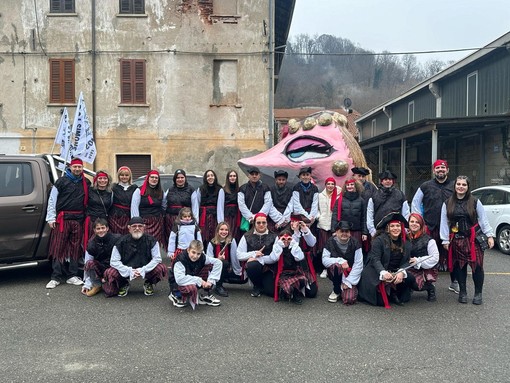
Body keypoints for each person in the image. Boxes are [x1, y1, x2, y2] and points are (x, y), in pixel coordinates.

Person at [440, 176, 495, 305]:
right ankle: (463, 292)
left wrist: (490, 235)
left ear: (468, 187)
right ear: (455, 186)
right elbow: (444, 222)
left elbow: (483, 220)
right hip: (457, 239)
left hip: (473, 239)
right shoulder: (447, 203)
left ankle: (478, 293)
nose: (460, 187)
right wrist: (445, 240)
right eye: (458, 184)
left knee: (478, 267)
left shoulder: (475, 201)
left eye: (463, 185)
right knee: (460, 266)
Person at [411, 159, 457, 292]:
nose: (440, 171)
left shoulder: (454, 185)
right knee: (428, 255)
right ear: (433, 171)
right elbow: (415, 204)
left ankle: (454, 282)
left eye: (443, 168)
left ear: (447, 170)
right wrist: (420, 222)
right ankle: (429, 282)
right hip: (429, 227)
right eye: (437, 168)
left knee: (451, 256)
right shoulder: (425, 186)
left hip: (449, 228)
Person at [45, 158, 90, 289]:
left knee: (75, 248)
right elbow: (52, 200)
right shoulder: (61, 182)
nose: (77, 169)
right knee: (58, 247)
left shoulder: (86, 182)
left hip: (78, 219)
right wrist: (51, 218)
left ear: (82, 168)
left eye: (79, 167)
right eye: (75, 167)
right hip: (62, 219)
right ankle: (55, 277)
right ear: (70, 167)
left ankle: (72, 275)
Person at [358, 212, 414, 308]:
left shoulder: (407, 242)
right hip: (376, 270)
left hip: (395, 270)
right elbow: (375, 259)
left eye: (398, 226)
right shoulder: (379, 241)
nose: (395, 228)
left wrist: (401, 272)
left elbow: (406, 261)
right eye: (392, 226)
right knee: (380, 301)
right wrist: (383, 272)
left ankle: (394, 291)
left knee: (410, 279)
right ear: (388, 228)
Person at [103, 217, 167, 297]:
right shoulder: (121, 242)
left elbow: (157, 259)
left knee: (161, 268)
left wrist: (143, 270)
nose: (137, 228)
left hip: (146, 270)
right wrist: (129, 270)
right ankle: (123, 284)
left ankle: (149, 283)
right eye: (134, 226)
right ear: (129, 228)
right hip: (126, 270)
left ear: (144, 228)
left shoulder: (152, 240)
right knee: (109, 272)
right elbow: (114, 261)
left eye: (140, 226)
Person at [168, 240, 222, 309]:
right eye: (193, 252)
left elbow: (218, 262)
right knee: (191, 288)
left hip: (192, 275)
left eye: (198, 254)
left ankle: (204, 294)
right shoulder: (180, 259)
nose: (195, 256)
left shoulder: (202, 257)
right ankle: (176, 295)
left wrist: (210, 281)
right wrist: (200, 281)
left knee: (209, 265)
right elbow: (180, 280)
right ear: (188, 250)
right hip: (177, 282)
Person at [322, 221, 363, 305]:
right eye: (342, 231)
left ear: (350, 233)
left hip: (350, 275)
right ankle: (336, 290)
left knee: (349, 299)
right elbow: (325, 260)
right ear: (336, 232)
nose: (344, 233)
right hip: (336, 273)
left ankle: (349, 288)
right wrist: (340, 260)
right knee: (336, 265)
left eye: (347, 231)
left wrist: (348, 282)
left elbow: (358, 264)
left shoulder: (355, 243)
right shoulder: (330, 241)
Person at [237, 213, 278, 297]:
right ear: (254, 223)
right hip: (254, 267)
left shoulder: (274, 236)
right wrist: (254, 254)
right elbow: (239, 255)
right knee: (252, 264)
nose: (261, 225)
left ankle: (264, 283)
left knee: (271, 292)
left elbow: (275, 258)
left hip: (269, 268)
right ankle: (257, 285)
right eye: (258, 223)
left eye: (264, 222)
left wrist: (259, 259)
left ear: (267, 223)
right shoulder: (246, 236)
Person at [82, 218, 121, 297]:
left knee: (110, 292)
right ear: (94, 230)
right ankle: (97, 285)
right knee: (89, 263)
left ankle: (118, 283)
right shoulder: (91, 243)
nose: (101, 230)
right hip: (101, 268)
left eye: (103, 228)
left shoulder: (117, 239)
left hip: (114, 268)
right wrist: (87, 284)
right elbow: (87, 263)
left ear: (107, 228)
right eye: (98, 228)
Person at [207, 221, 245, 297]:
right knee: (223, 263)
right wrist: (218, 259)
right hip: (215, 268)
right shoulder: (212, 243)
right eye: (221, 229)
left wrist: (238, 271)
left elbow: (234, 258)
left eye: (226, 230)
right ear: (217, 231)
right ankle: (219, 286)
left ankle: (224, 279)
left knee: (226, 264)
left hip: (229, 268)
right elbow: (209, 260)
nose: (224, 232)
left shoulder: (232, 241)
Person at [366, 170, 409, 238]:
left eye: (390, 179)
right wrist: (372, 231)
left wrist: (405, 229)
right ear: (382, 181)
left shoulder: (400, 195)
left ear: (393, 181)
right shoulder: (374, 195)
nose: (388, 181)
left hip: (396, 231)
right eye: (385, 179)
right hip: (378, 231)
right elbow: (370, 213)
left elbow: (406, 212)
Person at [407, 213, 439, 302]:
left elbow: (435, 257)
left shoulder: (429, 240)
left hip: (424, 269)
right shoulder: (405, 237)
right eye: (412, 221)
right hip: (408, 267)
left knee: (416, 285)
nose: (414, 224)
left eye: (417, 222)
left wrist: (418, 261)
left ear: (421, 224)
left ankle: (430, 287)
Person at [131, 170, 167, 249]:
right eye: (152, 177)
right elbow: (134, 207)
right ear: (148, 178)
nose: (154, 179)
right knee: (143, 242)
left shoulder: (161, 192)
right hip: (143, 221)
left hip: (157, 222)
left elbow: (164, 206)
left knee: (155, 243)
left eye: (156, 178)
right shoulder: (139, 191)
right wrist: (137, 222)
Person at [331, 177, 368, 254]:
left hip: (357, 230)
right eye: (348, 185)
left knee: (356, 251)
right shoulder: (340, 200)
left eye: (352, 184)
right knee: (343, 251)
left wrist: (364, 232)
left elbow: (364, 217)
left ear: (356, 186)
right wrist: (334, 230)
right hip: (343, 230)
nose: (350, 186)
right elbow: (334, 215)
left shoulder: (361, 200)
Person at [272, 230, 307, 304]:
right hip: (283, 274)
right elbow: (274, 258)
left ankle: (295, 295)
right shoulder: (277, 247)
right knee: (289, 285)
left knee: (301, 280)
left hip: (295, 272)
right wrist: (280, 244)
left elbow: (299, 258)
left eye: (288, 239)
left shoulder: (294, 247)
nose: (286, 241)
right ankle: (287, 293)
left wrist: (293, 245)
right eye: (283, 239)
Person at [317, 177, 341, 278]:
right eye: (328, 184)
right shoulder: (320, 196)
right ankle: (324, 268)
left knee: (333, 247)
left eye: (332, 184)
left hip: (334, 225)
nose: (330, 186)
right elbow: (316, 208)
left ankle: (331, 268)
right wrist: (319, 217)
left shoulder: (338, 196)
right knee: (323, 247)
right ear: (325, 185)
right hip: (323, 225)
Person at [289, 219, 318, 298]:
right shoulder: (286, 232)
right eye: (293, 221)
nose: (296, 223)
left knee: (312, 293)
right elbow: (293, 248)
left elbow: (312, 243)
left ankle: (302, 284)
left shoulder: (304, 231)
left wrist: (305, 229)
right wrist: (296, 232)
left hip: (304, 264)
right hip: (290, 264)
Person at [84, 170, 113, 250]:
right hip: (91, 220)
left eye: (105, 178)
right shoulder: (90, 190)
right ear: (96, 179)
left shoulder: (110, 193)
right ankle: (88, 260)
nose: (102, 180)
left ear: (108, 180)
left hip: (104, 220)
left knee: (103, 241)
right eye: (100, 178)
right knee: (90, 241)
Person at [238, 166, 273, 232]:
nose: (254, 176)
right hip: (248, 219)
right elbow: (241, 204)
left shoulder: (265, 187)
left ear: (259, 175)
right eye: (252, 174)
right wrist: (250, 217)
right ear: (248, 175)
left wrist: (259, 217)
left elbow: (268, 203)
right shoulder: (242, 188)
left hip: (262, 220)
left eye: (256, 174)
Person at [196, 169, 223, 245]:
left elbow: (220, 206)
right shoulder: (200, 189)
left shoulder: (220, 189)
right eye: (208, 176)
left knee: (213, 237)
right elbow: (197, 204)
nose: (210, 177)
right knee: (203, 237)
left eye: (212, 175)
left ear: (215, 177)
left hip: (214, 217)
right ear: (205, 178)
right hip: (203, 217)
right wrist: (197, 220)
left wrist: (220, 221)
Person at [109, 166, 138, 235]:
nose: (124, 177)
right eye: (122, 175)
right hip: (115, 217)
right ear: (119, 176)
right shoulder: (114, 187)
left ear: (130, 176)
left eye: (126, 175)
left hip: (128, 216)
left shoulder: (134, 188)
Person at [218, 170, 242, 243]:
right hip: (227, 216)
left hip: (237, 216)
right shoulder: (223, 190)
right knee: (227, 234)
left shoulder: (240, 190)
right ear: (228, 178)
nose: (232, 178)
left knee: (236, 235)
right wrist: (221, 221)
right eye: (230, 176)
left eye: (234, 176)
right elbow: (220, 206)